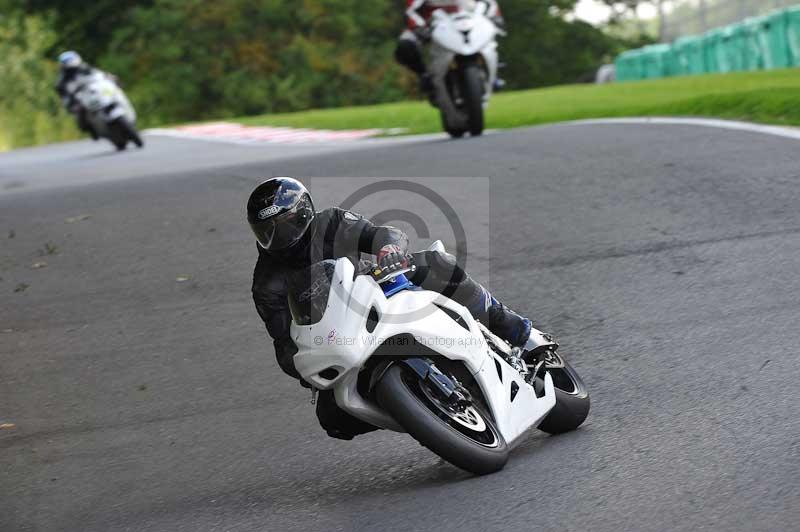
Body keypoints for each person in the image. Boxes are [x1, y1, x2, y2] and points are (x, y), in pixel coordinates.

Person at [248, 177, 545, 440]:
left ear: (303, 213)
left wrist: (389, 250)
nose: (278, 239)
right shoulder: (266, 284)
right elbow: (284, 342)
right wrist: (305, 367)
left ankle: (514, 328)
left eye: (284, 226)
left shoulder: (331, 222)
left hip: (379, 288)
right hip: (342, 336)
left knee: (437, 265)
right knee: (333, 418)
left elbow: (381, 234)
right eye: (267, 231)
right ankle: (422, 412)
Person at [395, 0, 505, 96]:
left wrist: (494, 17)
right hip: (429, 25)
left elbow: (489, 3)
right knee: (405, 45)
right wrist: (419, 28)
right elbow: (410, 11)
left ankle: (493, 72)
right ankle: (425, 76)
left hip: (466, 22)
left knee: (488, 34)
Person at [55, 51, 117, 140]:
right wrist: (70, 103)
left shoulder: (84, 67)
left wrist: (109, 76)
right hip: (79, 97)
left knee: (111, 89)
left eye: (71, 60)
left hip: (94, 89)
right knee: (80, 111)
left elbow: (98, 73)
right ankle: (92, 129)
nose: (70, 63)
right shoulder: (62, 78)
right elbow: (62, 93)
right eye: (67, 61)